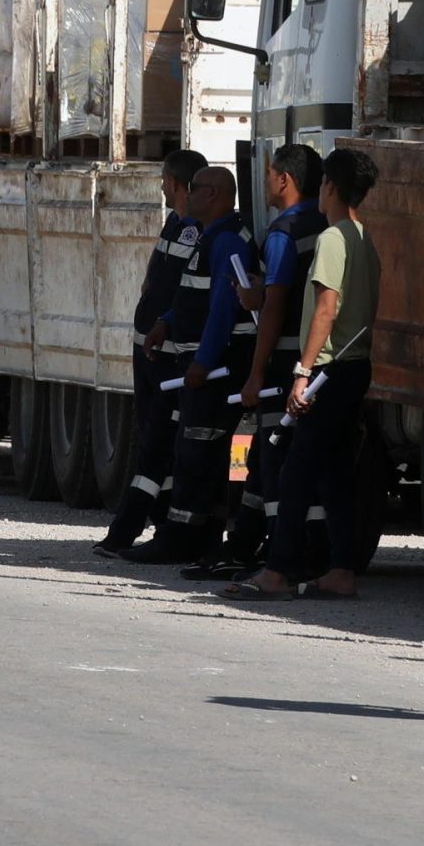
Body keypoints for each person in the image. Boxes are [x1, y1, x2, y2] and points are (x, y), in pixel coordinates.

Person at [228, 147, 381, 601]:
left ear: (329, 187)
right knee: (334, 472)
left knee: (295, 471)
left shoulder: (334, 238)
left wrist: (302, 372)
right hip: (356, 367)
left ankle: (278, 571)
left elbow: (325, 309)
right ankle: (341, 569)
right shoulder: (363, 237)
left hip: (329, 371)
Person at [206, 143, 329, 581]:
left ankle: (284, 555)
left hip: (285, 365)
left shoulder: (283, 231)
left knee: (276, 460)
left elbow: (274, 307)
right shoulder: (325, 224)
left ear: (284, 181)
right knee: (277, 458)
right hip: (319, 362)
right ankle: (259, 547)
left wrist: (256, 374)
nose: (265, 184)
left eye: (268, 175)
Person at [98, 148, 207, 560]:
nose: (161, 186)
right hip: (147, 347)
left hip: (167, 353)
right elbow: (155, 276)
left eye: (164, 179)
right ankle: (161, 525)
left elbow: (185, 293)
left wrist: (163, 323)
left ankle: (125, 532)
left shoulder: (198, 231)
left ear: (178, 184)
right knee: (148, 433)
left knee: (156, 443)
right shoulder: (174, 222)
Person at [162, 165, 258, 565]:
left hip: (213, 375)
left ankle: (185, 539)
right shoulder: (210, 238)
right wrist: (165, 322)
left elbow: (223, 308)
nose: (188, 194)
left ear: (216, 195)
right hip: (200, 368)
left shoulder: (228, 244)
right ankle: (199, 539)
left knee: (201, 456)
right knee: (201, 455)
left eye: (195, 188)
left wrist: (202, 363)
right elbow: (193, 294)